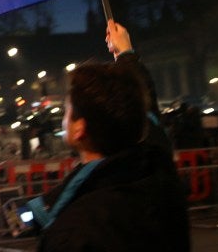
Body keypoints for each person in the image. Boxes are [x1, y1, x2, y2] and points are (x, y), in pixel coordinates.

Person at [29, 20, 189, 251]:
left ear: (79, 129)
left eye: (67, 111)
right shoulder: (157, 170)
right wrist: (126, 54)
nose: (63, 119)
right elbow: (146, 111)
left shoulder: (75, 229)